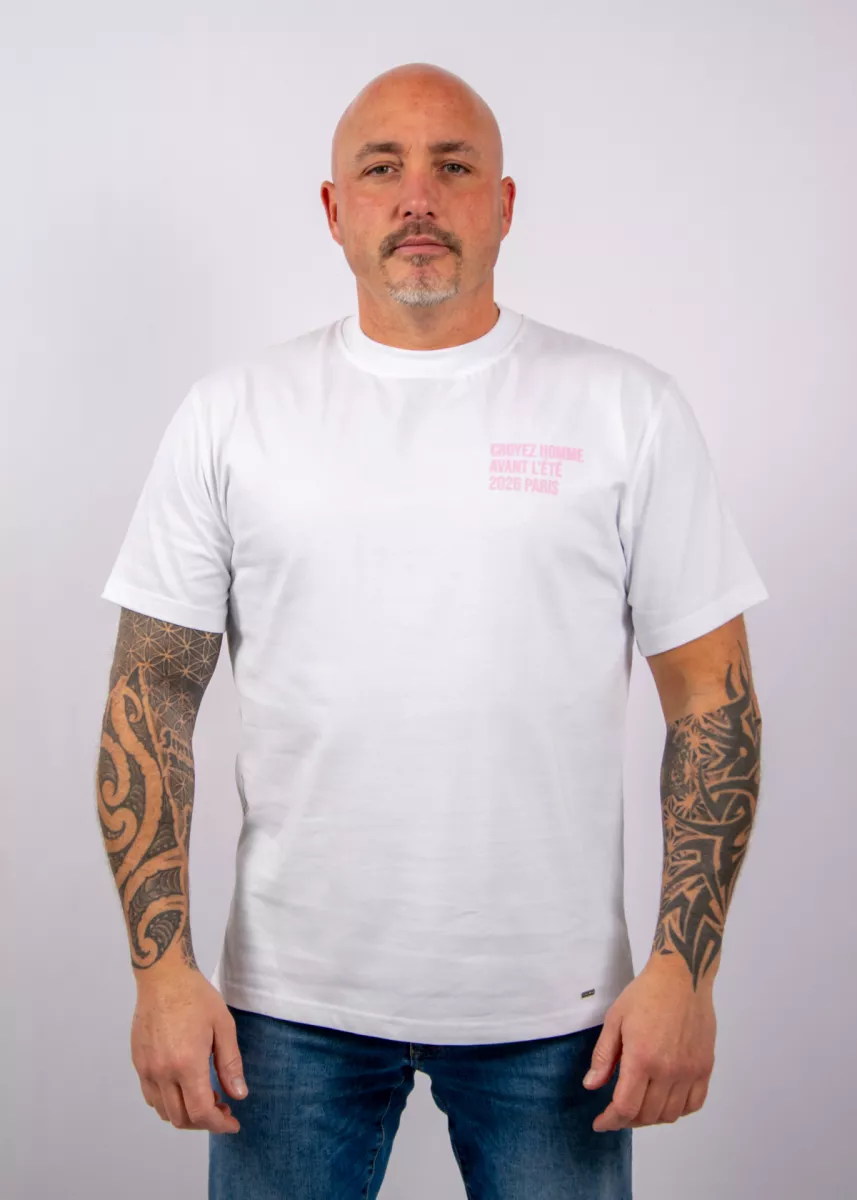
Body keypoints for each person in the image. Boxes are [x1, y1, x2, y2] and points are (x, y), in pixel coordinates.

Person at [96, 61, 768, 1200]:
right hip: (286, 1009)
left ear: (502, 205)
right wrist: (160, 971)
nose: (417, 197)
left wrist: (683, 971)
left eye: (453, 167)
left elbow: (712, 700)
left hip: (560, 1014)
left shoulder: (625, 409)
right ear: (333, 209)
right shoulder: (232, 415)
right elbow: (150, 697)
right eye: (382, 168)